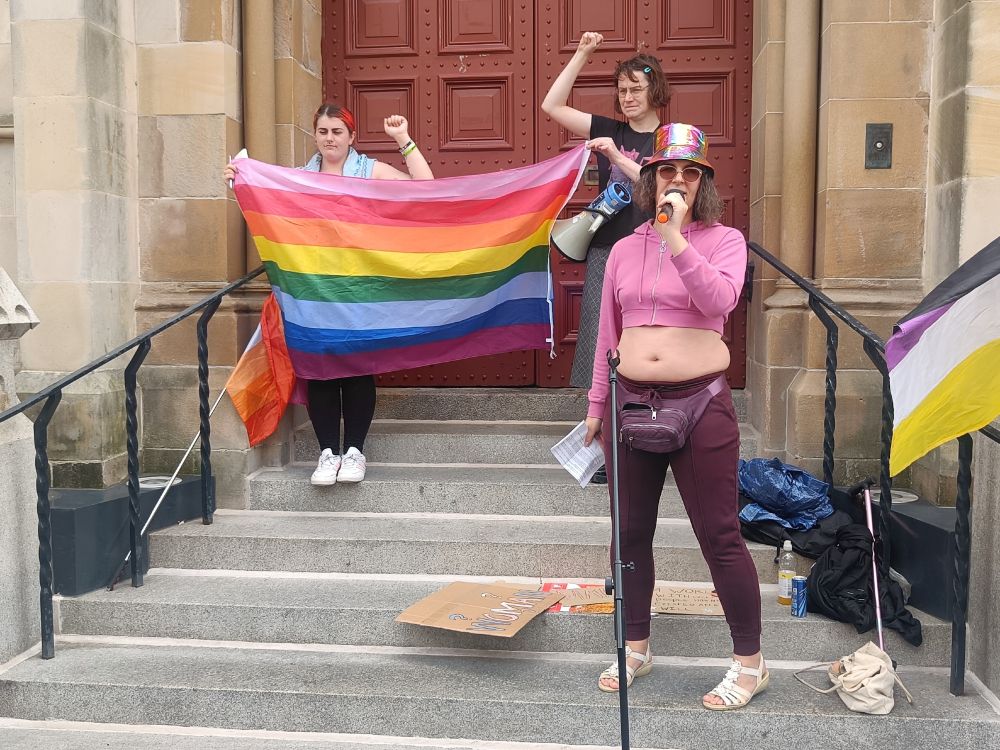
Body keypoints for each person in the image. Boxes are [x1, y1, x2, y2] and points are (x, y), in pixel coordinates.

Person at [582, 123, 764, 710]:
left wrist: (678, 238)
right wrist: (594, 406)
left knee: (720, 536)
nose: (677, 181)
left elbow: (720, 303)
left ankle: (749, 663)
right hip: (629, 400)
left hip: (701, 403)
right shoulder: (624, 250)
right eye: (667, 171)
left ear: (703, 182)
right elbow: (609, 332)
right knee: (629, 532)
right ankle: (635, 646)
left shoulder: (725, 241)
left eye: (690, 172)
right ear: (652, 178)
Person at [226, 104, 433, 486]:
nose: (330, 138)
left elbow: (425, 187)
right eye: (323, 131)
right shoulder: (301, 178)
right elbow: (267, 210)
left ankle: (354, 451)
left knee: (356, 370)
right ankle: (327, 454)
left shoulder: (369, 171)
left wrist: (403, 139)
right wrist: (240, 180)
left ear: (351, 136)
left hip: (359, 289)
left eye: (337, 131)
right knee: (319, 371)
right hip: (313, 291)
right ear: (315, 136)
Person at [541, 32, 668, 483]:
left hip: (653, 253)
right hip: (605, 251)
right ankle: (602, 451)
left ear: (656, 90)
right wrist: (580, 54)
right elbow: (551, 107)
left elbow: (661, 190)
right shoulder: (608, 128)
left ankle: (644, 443)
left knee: (643, 345)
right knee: (602, 345)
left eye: (636, 88)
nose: (628, 97)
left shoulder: (669, 138)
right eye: (622, 90)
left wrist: (616, 155)